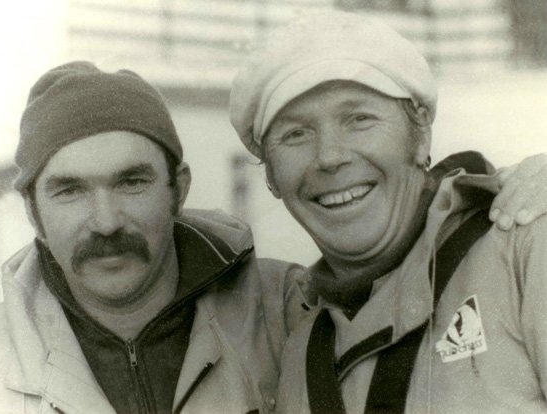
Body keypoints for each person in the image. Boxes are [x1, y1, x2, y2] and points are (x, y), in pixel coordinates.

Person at [229, 11, 547, 413]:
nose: (330, 156)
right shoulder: (302, 354)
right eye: (296, 134)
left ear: (420, 135)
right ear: (271, 177)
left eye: (359, 119)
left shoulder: (523, 247)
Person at [0, 62, 303, 414]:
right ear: (33, 213)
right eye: (70, 191)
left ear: (178, 191)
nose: (106, 223)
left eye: (131, 183)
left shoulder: (288, 312)